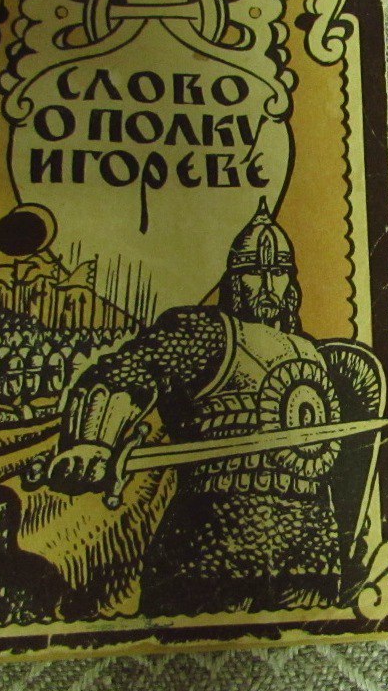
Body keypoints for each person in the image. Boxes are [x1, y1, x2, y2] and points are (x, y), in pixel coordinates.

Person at [46, 197, 371, 615]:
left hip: (310, 547)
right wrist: (93, 442)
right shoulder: (207, 332)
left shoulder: (313, 354)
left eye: (278, 272)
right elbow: (127, 374)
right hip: (214, 539)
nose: (268, 285)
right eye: (254, 271)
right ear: (233, 279)